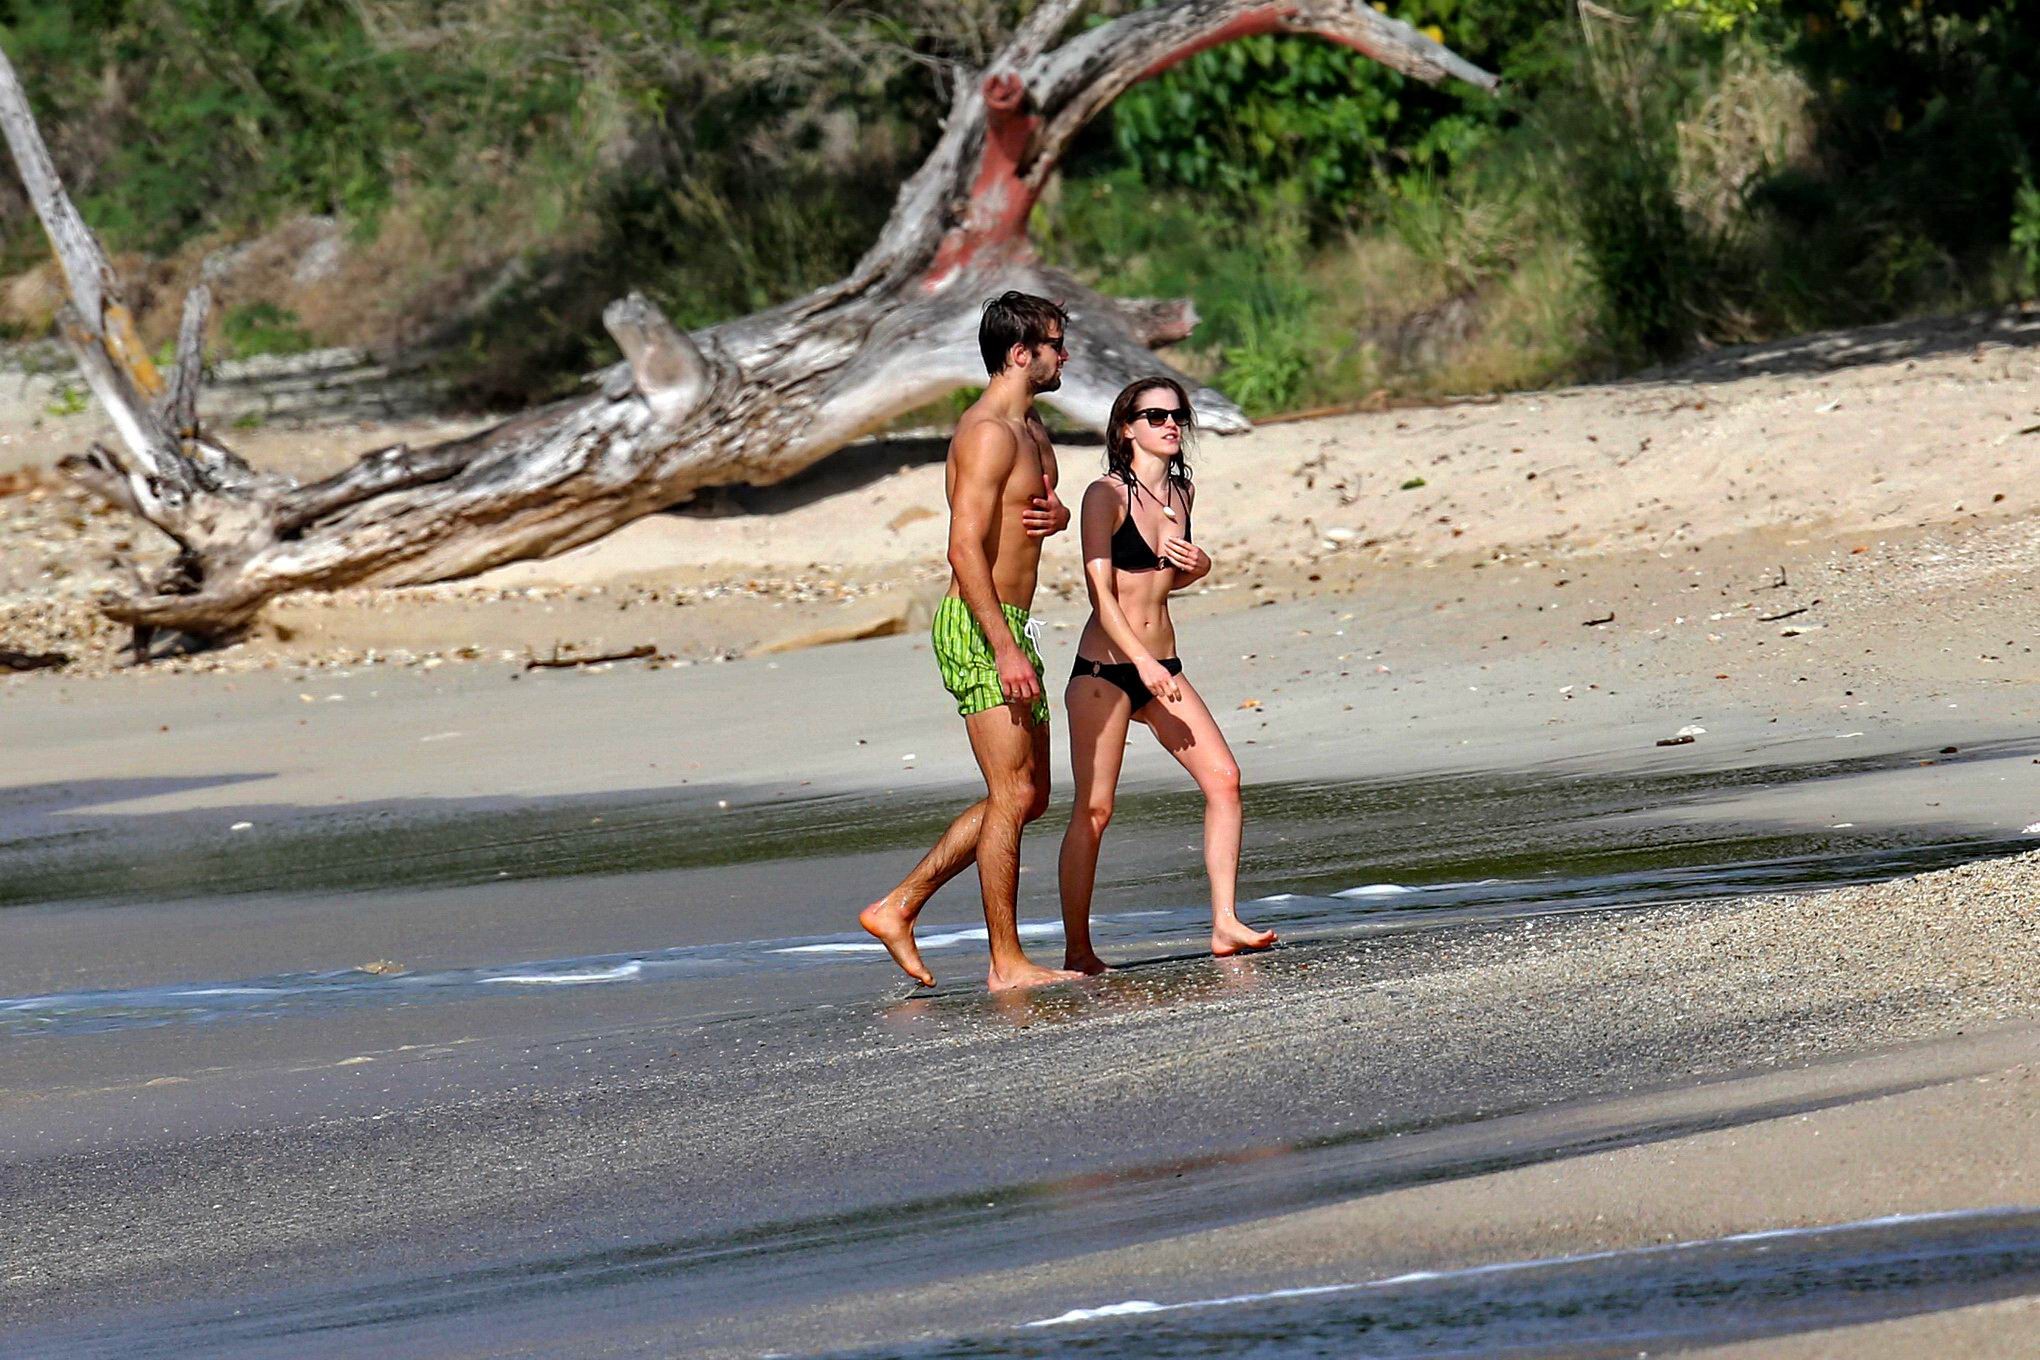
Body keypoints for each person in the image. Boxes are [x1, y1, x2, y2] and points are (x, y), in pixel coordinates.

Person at [859, 291, 1080, 991]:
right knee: (1011, 793)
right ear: (1021, 355)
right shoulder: (986, 432)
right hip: (981, 625)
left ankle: (900, 905)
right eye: (1053, 343)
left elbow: (1034, 506)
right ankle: (1004, 962)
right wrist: (1003, 649)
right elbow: (962, 549)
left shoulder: (1031, 426)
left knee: (1029, 794)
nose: (1063, 354)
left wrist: (1059, 512)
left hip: (1014, 622)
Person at [1057, 376, 1277, 972]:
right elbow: (1102, 595)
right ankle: (1078, 949)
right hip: (1105, 669)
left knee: (1224, 779)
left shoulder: (1181, 492)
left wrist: (1199, 568)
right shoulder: (1105, 495)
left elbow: (1161, 581)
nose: (1170, 424)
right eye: (1155, 416)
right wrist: (1144, 663)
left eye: (1177, 415)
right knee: (1095, 809)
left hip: (1163, 665)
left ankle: (1226, 922)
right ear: (1126, 427)